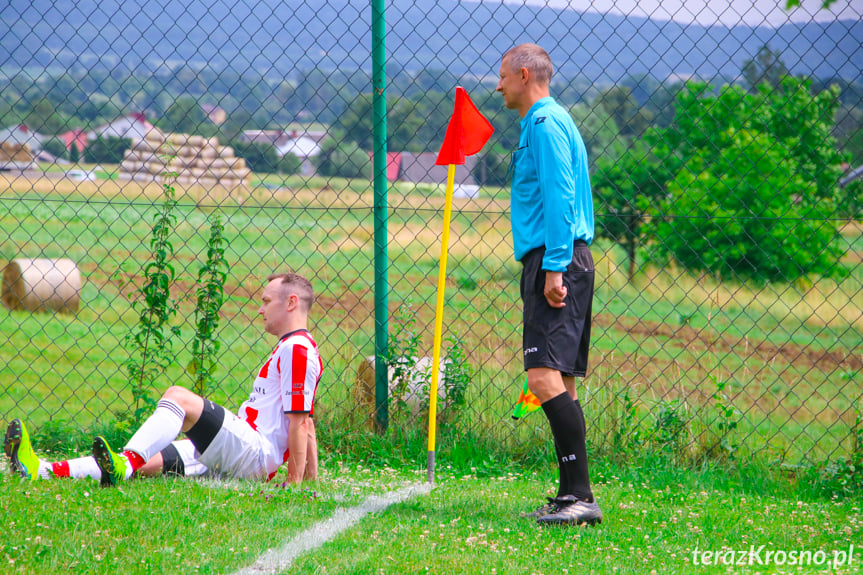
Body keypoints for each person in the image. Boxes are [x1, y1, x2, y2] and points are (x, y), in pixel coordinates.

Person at [3, 272, 322, 487]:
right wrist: (310, 483)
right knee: (150, 460)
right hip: (249, 455)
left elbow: (300, 423)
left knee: (179, 397)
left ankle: (123, 465)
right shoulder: (296, 347)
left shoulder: (296, 348)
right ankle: (40, 470)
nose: (260, 309)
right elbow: (306, 423)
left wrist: (292, 486)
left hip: (253, 453)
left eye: (267, 301)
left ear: (291, 302)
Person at [497, 43, 602, 525]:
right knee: (562, 381)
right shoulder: (551, 119)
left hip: (556, 258)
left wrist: (555, 267)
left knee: (541, 377)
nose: (497, 86)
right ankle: (571, 497)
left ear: (523, 74)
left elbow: (560, 194)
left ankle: (580, 496)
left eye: (502, 76)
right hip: (561, 256)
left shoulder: (543, 122)